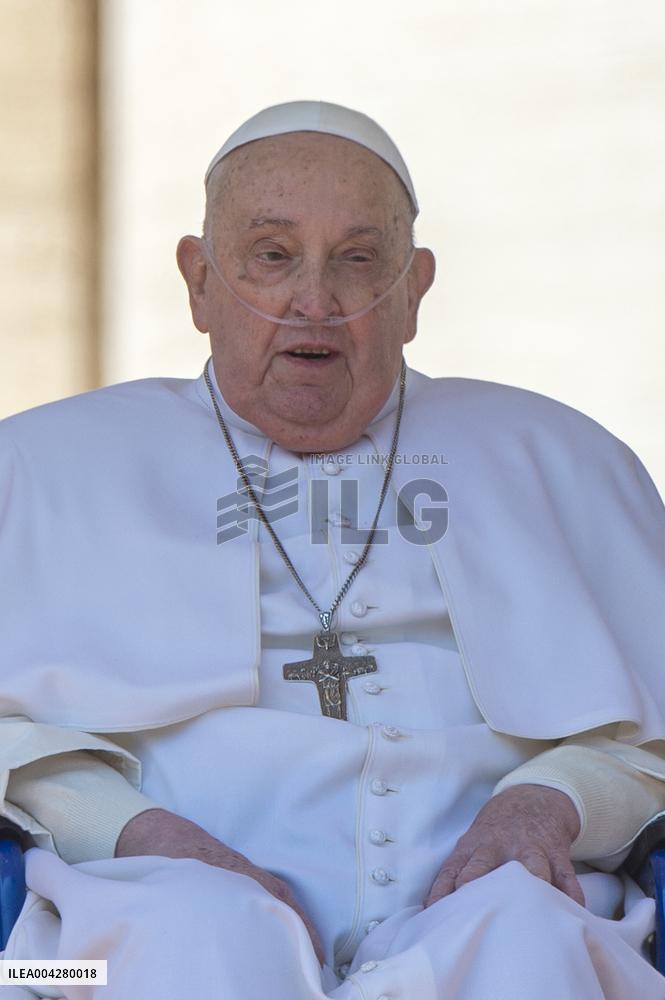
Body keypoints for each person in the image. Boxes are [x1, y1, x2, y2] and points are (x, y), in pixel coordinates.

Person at [1, 100, 664, 1000]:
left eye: (358, 261)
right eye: (271, 256)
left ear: (415, 289)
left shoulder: (561, 458)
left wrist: (547, 804)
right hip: (135, 909)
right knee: (186, 942)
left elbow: (653, 738)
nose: (314, 301)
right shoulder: (42, 465)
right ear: (197, 282)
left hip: (509, 897)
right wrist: (146, 836)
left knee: (530, 944)